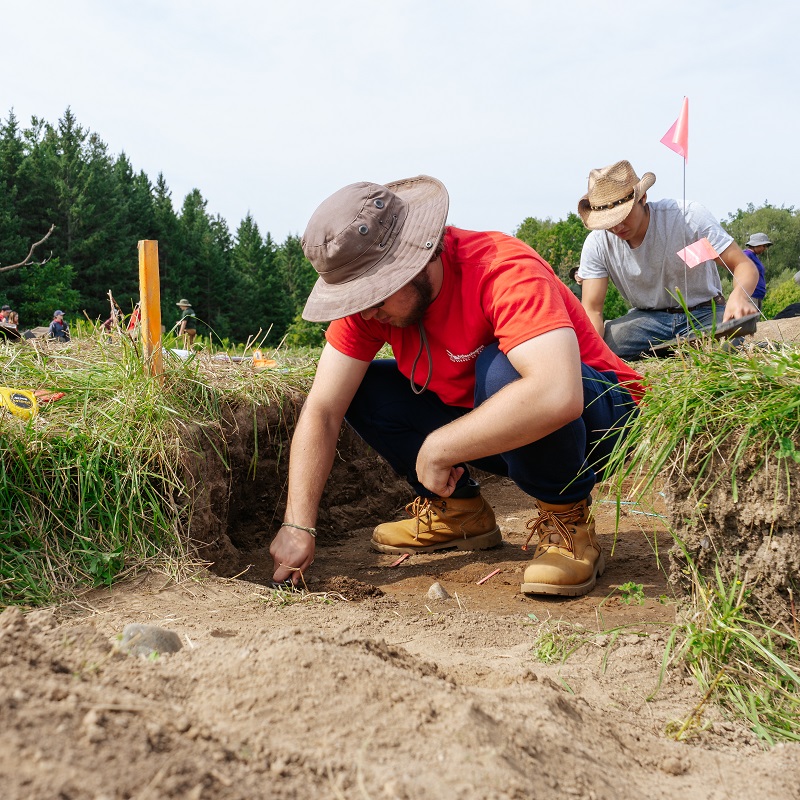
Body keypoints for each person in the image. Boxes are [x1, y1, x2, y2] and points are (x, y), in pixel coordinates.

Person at [269, 175, 644, 598]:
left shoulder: (500, 267)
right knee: (363, 390)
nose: (368, 312)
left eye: (376, 294)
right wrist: (297, 525)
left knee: (503, 370)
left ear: (419, 255)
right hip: (500, 424)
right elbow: (323, 409)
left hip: (602, 421)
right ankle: (460, 513)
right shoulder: (368, 310)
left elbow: (556, 393)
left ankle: (567, 520)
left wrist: (438, 448)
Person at [576, 160, 759, 360]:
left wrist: (739, 295)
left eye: (623, 216)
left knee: (729, 344)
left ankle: (675, 349)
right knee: (609, 344)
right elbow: (592, 309)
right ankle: (679, 349)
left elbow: (743, 265)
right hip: (647, 322)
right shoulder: (597, 243)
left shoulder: (688, 218)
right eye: (608, 222)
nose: (616, 227)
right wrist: (591, 355)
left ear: (643, 197)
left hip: (703, 313)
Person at [743, 233, 771, 309]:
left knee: (756, 321)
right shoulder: (746, 255)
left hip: (757, 295)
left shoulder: (754, 256)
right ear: (756, 245)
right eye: (764, 246)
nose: (765, 248)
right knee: (750, 320)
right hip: (751, 295)